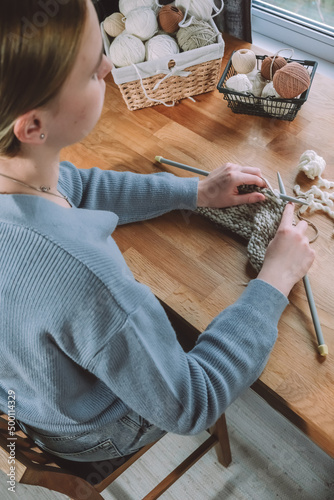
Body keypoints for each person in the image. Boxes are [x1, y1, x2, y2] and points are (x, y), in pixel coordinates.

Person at [0, 0, 314, 462]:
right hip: (92, 430)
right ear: (34, 125)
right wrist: (275, 280)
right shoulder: (87, 278)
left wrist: (194, 193)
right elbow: (190, 403)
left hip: (25, 392)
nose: (109, 66)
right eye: (91, 70)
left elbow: (80, 186)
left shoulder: (19, 171)